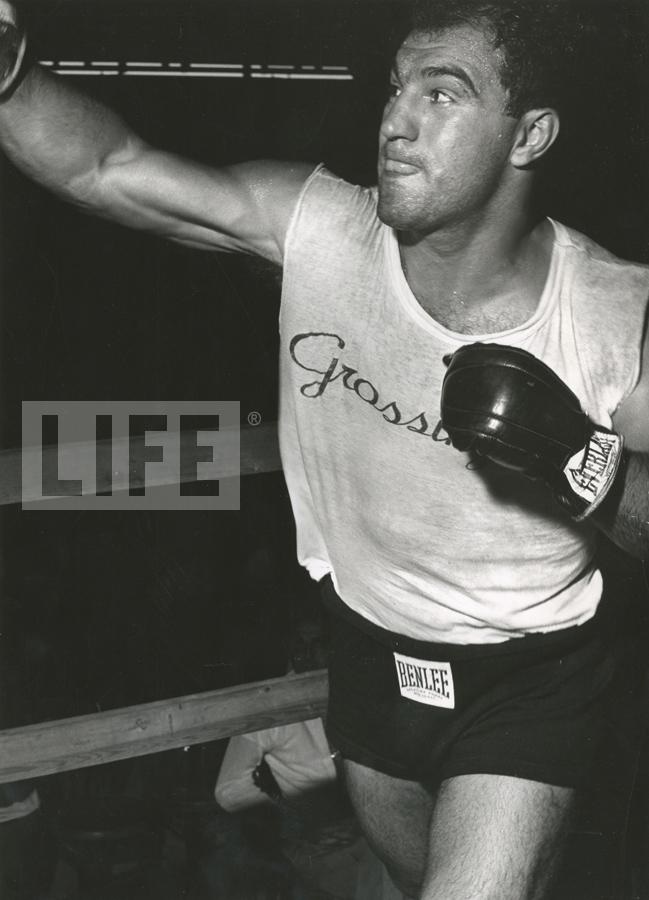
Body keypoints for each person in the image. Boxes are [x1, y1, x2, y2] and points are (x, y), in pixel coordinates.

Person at [0, 1, 648, 897]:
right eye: (393, 89)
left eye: (441, 95)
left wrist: (584, 464)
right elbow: (109, 167)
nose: (394, 119)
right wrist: (10, 73)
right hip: (368, 652)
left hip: (528, 680)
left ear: (528, 134)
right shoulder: (322, 232)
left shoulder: (614, 313)